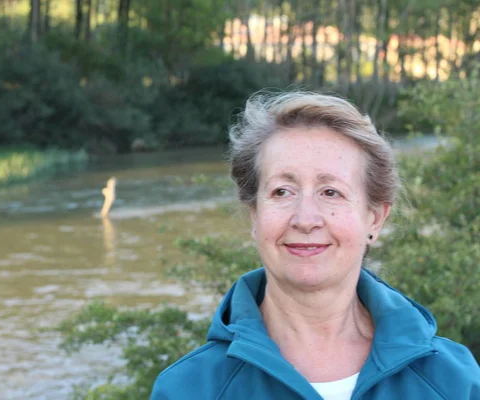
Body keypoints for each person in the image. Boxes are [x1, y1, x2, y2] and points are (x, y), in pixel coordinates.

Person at [150, 92, 480, 399]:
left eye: (330, 192)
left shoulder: (453, 381)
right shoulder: (189, 389)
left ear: (374, 219)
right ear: (255, 215)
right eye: (282, 191)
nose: (305, 219)